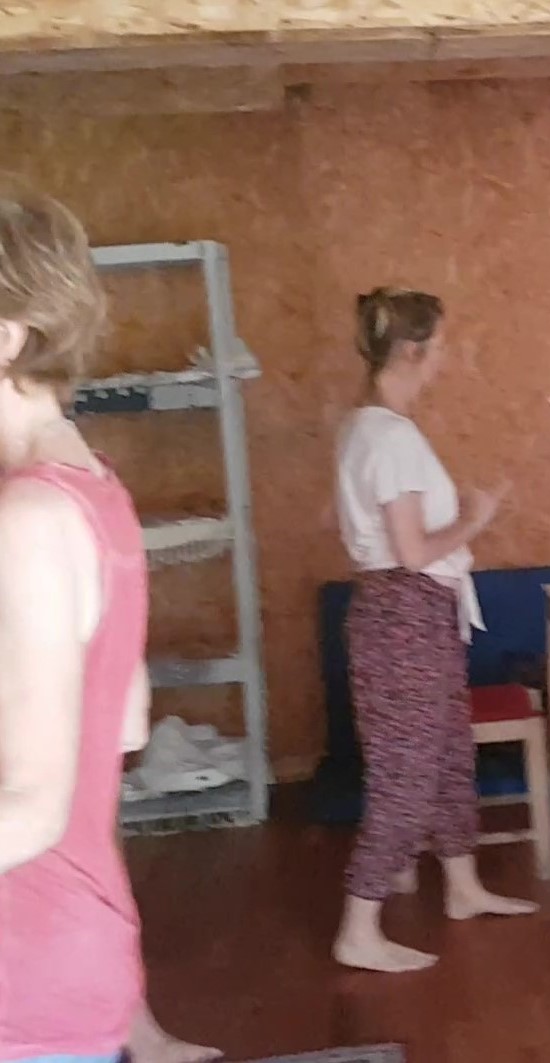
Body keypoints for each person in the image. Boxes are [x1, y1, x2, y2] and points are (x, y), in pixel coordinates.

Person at [331, 287, 533, 974]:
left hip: (416, 614)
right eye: (440, 345)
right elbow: (413, 552)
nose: (446, 357)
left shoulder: (369, 427)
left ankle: (463, 886)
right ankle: (359, 927)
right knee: (408, 775)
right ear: (414, 351)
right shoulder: (390, 438)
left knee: (448, 755)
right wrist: (476, 517)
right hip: (404, 616)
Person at [0, 184, 148, 1062]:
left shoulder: (27, 519)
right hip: (67, 951)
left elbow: (29, 807)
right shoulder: (93, 487)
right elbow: (124, 719)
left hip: (21, 974)